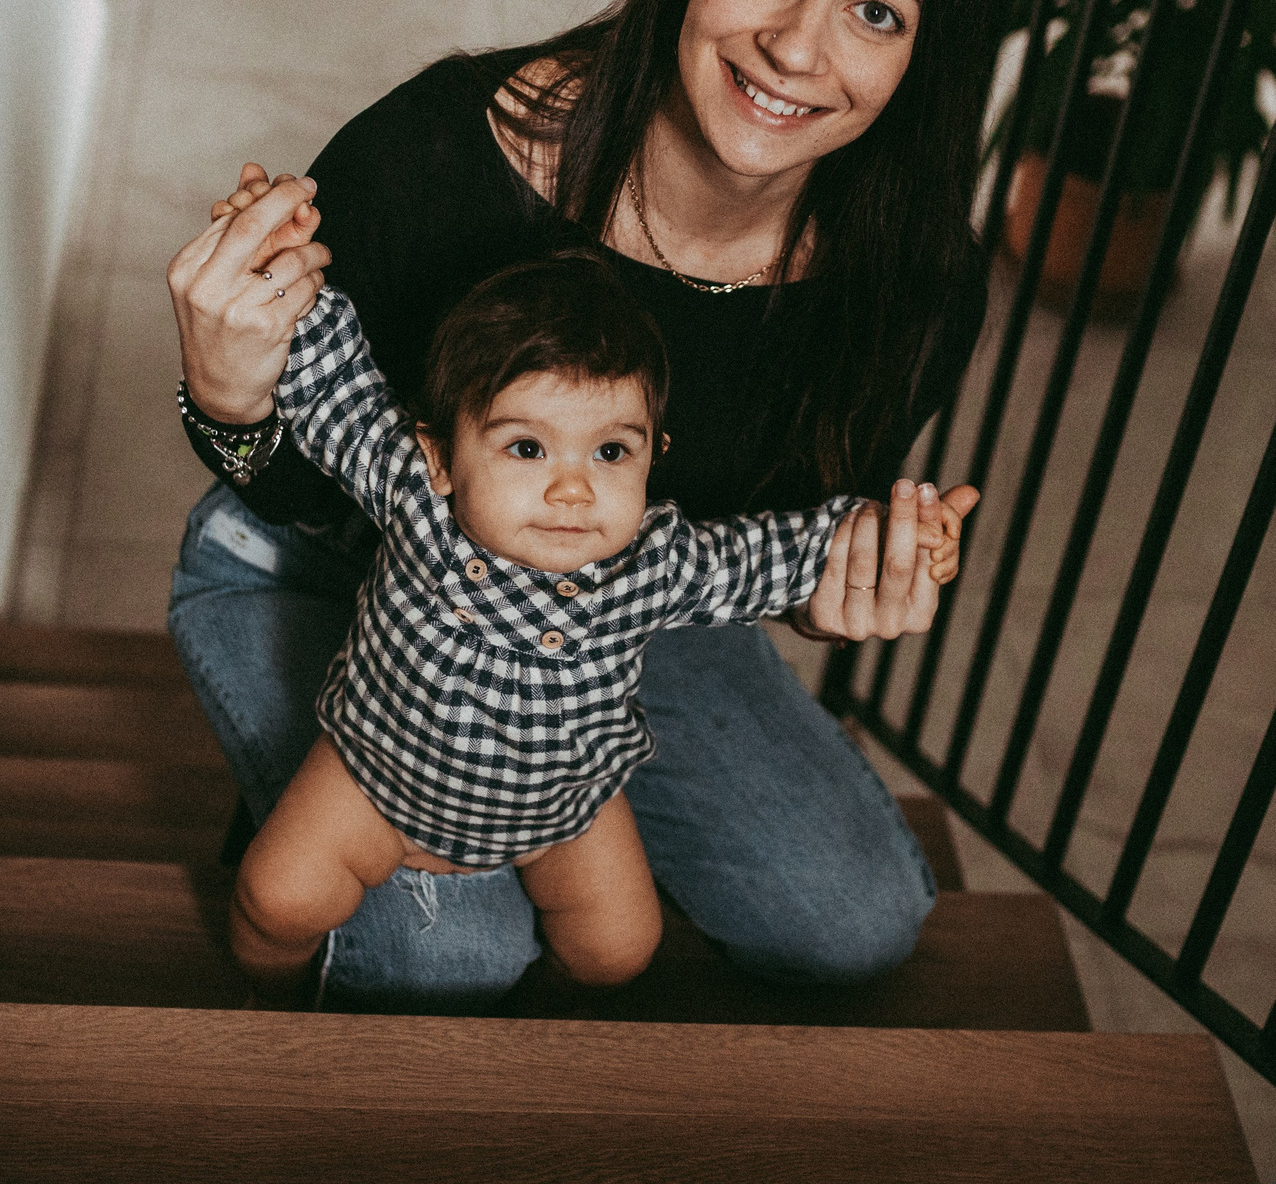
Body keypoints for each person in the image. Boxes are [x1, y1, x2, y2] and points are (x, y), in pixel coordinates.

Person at [167, 0, 996, 1012]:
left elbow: (768, 541)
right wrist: (232, 401)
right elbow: (307, 460)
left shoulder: (911, 285)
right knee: (446, 960)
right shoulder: (440, 151)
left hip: (606, 611)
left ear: (924, 56)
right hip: (319, 562)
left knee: (851, 918)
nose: (795, 46)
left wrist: (845, 586)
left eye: (875, 11)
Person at [225, 248, 964, 1004]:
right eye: (527, 447)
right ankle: (267, 1008)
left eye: (611, 451)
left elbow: (771, 555)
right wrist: (284, 274)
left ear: (653, 458)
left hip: (562, 808)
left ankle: (545, 1030)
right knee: (277, 898)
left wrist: (886, 539)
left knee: (620, 948)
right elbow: (337, 393)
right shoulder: (416, 494)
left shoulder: (654, 560)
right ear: (441, 455)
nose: (573, 488)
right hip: (375, 780)